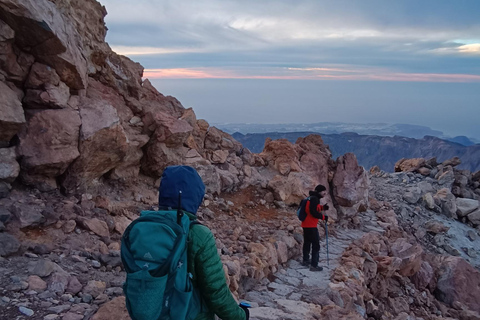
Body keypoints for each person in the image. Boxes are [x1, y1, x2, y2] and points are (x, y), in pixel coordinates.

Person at [158, 165, 249, 320]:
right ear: (195, 196)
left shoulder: (142, 229)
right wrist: (241, 316)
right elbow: (216, 293)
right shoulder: (199, 234)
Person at [301, 184, 329, 271]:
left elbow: (312, 208)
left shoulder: (311, 198)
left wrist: (322, 207)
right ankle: (314, 265)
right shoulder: (315, 199)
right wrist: (323, 217)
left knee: (307, 242)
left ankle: (305, 260)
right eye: (323, 191)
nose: (325, 192)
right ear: (319, 191)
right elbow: (313, 212)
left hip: (305, 224)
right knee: (316, 245)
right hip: (311, 225)